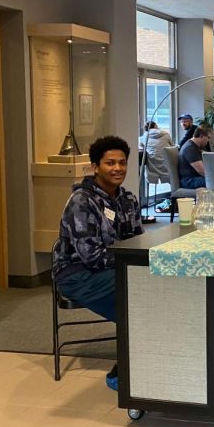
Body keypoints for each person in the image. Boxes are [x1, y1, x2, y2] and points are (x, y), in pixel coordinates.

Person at [52, 136, 143, 391]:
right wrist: (131, 265)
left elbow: (136, 241)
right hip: (77, 274)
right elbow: (91, 256)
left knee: (148, 292)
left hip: (115, 269)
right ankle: (123, 373)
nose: (117, 168)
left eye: (122, 163)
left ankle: (140, 364)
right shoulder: (82, 201)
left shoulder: (127, 199)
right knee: (139, 300)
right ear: (95, 167)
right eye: (110, 163)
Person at [178, 122, 213, 189]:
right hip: (189, 181)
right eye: (208, 137)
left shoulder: (196, 146)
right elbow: (202, 171)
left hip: (195, 178)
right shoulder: (190, 148)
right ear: (201, 136)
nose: (208, 141)